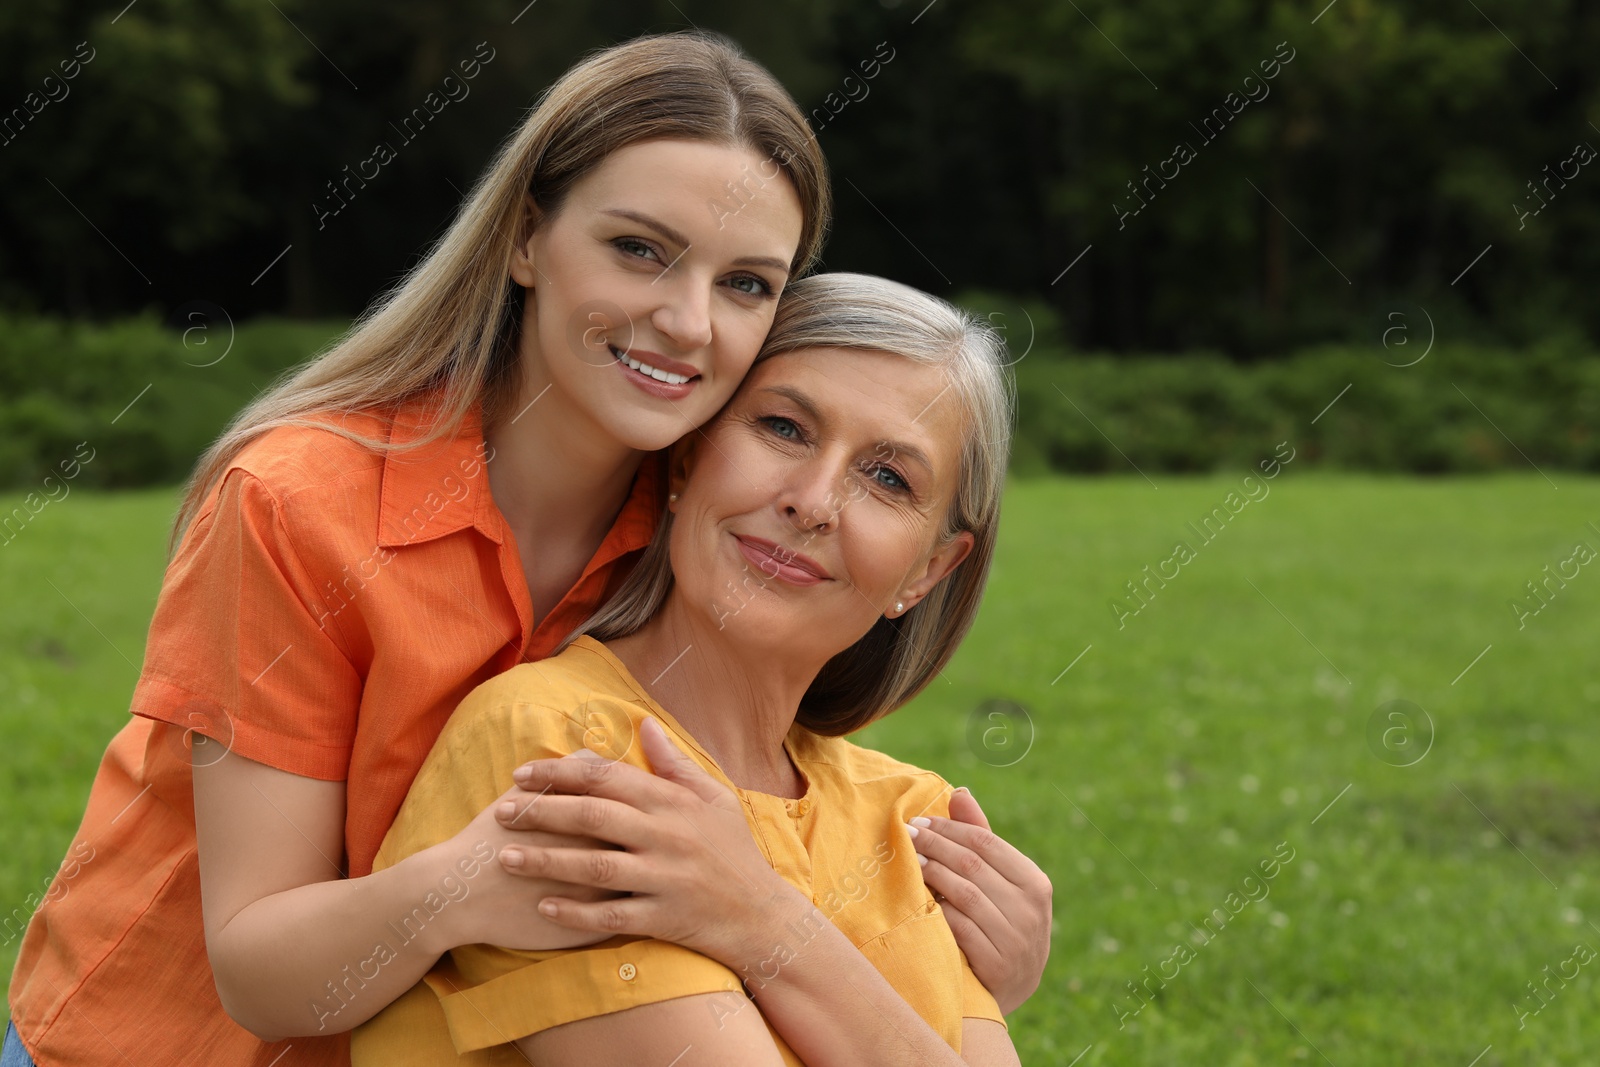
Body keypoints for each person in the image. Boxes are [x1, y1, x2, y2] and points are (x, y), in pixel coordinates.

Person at [3, 32, 1046, 1067]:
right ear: (526, 239)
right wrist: (461, 885)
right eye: (639, 248)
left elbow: (752, 836)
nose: (685, 320)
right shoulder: (300, 502)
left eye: (745, 284)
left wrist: (938, 955)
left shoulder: (709, 516)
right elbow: (256, 964)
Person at [351, 273, 1041, 1066]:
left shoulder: (914, 820)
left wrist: (763, 919)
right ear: (686, 460)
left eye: (888, 478)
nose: (814, 500)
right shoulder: (562, 750)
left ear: (926, 572)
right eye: (784, 427)